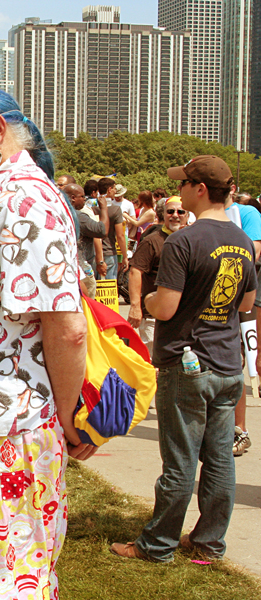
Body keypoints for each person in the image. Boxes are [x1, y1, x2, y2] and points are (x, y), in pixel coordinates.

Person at [0, 87, 95, 600]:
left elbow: (66, 327)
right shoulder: (3, 196)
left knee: (1, 582)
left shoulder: (25, 199)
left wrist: (72, 420)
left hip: (6, 432)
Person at [112, 155, 256, 564]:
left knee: (179, 461)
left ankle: (157, 544)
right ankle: (210, 541)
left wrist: (153, 298)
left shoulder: (183, 241)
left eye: (185, 184)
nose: (179, 192)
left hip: (187, 362)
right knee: (219, 460)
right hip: (228, 364)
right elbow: (245, 301)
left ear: (200, 190)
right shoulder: (243, 241)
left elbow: (167, 308)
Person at [223, 188, 261, 457]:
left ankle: (240, 430)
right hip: (203, 306)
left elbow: (252, 255)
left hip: (241, 300)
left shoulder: (245, 213)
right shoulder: (192, 216)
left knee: (238, 365)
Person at [126, 197, 184, 354]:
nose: (175, 215)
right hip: (153, 316)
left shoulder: (192, 239)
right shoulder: (152, 241)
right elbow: (135, 272)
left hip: (184, 316)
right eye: (170, 211)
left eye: (180, 211)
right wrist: (135, 307)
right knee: (153, 363)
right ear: (163, 214)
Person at [66, 182, 108, 277]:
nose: (85, 199)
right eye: (82, 196)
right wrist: (104, 208)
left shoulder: (60, 212)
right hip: (81, 266)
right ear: (73, 198)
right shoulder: (78, 216)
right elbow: (102, 231)